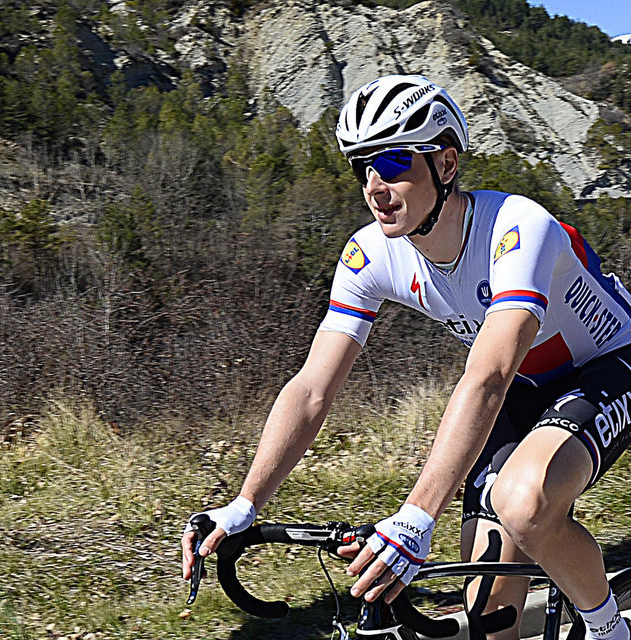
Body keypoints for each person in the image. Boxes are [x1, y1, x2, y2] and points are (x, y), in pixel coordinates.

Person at [181, 74, 631, 640]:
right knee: (490, 616)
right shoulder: (370, 252)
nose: (375, 185)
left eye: (394, 162)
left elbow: (488, 375)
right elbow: (313, 388)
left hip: (608, 363)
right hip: (525, 385)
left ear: (445, 164)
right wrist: (245, 504)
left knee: (524, 503)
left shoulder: (518, 227)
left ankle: (609, 629)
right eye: (363, 166)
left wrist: (416, 519)